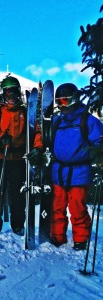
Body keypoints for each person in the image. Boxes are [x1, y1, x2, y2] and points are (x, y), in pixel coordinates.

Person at [0, 76, 42, 236]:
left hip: (18, 159)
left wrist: (38, 148)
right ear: (4, 94)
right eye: (8, 93)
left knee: (17, 195)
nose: (11, 96)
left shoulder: (25, 113)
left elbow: (35, 132)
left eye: (14, 92)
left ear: (18, 93)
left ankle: (18, 225)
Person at [50, 83, 103, 251]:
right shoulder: (57, 121)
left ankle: (80, 238)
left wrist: (100, 158)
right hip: (59, 170)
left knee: (77, 206)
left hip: (79, 171)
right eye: (58, 102)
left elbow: (99, 142)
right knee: (57, 205)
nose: (61, 105)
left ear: (74, 100)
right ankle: (58, 236)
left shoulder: (87, 121)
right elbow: (48, 140)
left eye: (64, 101)